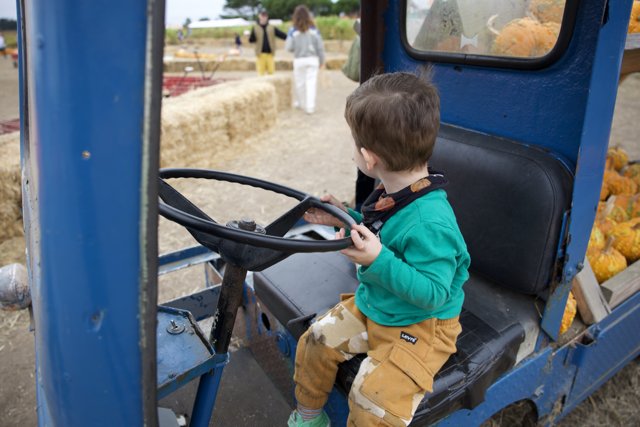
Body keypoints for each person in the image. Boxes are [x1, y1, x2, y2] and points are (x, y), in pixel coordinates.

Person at [289, 72, 471, 427]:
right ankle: (310, 419)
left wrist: (378, 260)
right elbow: (383, 231)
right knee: (315, 341)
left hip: (422, 324)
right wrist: (342, 216)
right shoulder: (397, 190)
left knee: (372, 401)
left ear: (368, 157)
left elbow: (433, 293)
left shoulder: (430, 222)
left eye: (353, 142)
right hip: (380, 302)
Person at [285, 5, 325, 114]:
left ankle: (302, 104)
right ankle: (310, 107)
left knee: (300, 84)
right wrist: (322, 61)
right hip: (312, 60)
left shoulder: (292, 31)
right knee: (311, 83)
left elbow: (288, 48)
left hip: (299, 60)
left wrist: (297, 46)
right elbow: (320, 48)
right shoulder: (315, 30)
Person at [249, 11, 287, 75]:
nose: (263, 18)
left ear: (267, 17)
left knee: (271, 72)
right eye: (262, 16)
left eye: (265, 16)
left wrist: (290, 37)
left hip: (270, 53)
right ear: (259, 16)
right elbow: (251, 40)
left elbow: (282, 35)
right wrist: (251, 37)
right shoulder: (255, 28)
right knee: (261, 73)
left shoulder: (272, 27)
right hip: (260, 54)